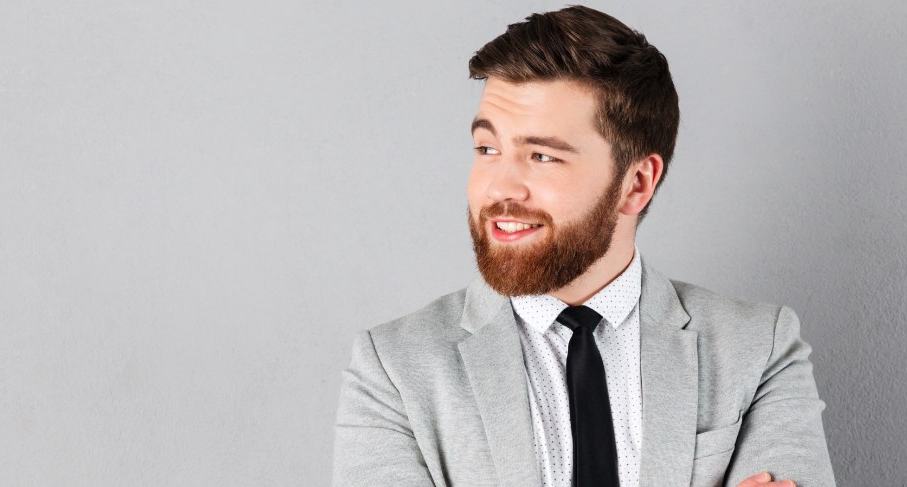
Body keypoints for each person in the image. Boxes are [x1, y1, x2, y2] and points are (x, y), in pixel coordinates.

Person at [331, 6, 835, 487]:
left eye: (543, 156)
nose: (500, 187)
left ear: (636, 183)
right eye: (488, 148)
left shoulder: (760, 349)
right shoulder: (394, 369)